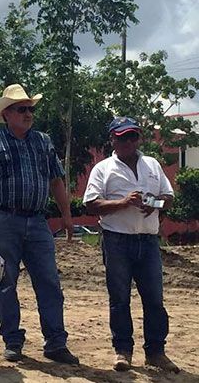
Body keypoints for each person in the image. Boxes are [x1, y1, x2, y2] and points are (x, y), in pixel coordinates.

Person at [0, 84, 79, 365]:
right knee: (6, 283)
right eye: (22, 109)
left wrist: (67, 217)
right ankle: (13, 341)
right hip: (3, 219)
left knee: (50, 283)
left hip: (37, 220)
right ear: (6, 114)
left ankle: (55, 342)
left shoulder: (43, 142)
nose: (28, 113)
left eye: (30, 108)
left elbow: (56, 181)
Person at [83, 117, 180, 373]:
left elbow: (168, 197)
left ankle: (156, 352)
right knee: (119, 299)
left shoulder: (152, 165)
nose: (128, 142)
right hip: (117, 240)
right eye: (122, 137)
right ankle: (122, 350)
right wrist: (123, 202)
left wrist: (154, 204)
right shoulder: (103, 169)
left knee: (155, 300)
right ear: (112, 139)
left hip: (148, 241)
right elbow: (91, 204)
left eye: (132, 137)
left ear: (138, 139)